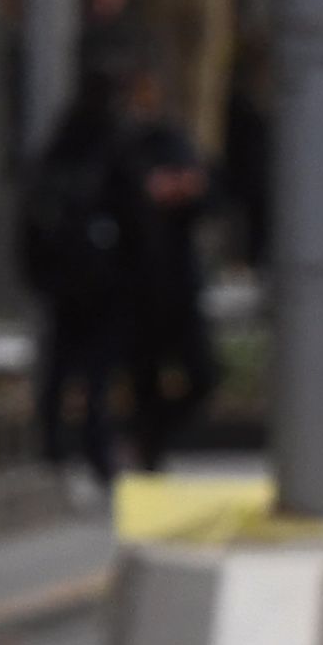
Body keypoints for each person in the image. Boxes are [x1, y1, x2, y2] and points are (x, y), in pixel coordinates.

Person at [18, 71, 133, 483]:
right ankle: (93, 450)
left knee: (61, 368)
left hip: (65, 283)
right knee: (95, 374)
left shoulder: (60, 147)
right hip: (99, 284)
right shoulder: (112, 147)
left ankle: (55, 446)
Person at [103, 64, 217, 471]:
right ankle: (147, 451)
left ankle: (152, 437)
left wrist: (176, 190)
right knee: (143, 376)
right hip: (136, 282)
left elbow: (199, 189)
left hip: (178, 280)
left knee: (201, 373)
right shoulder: (120, 145)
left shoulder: (173, 139)